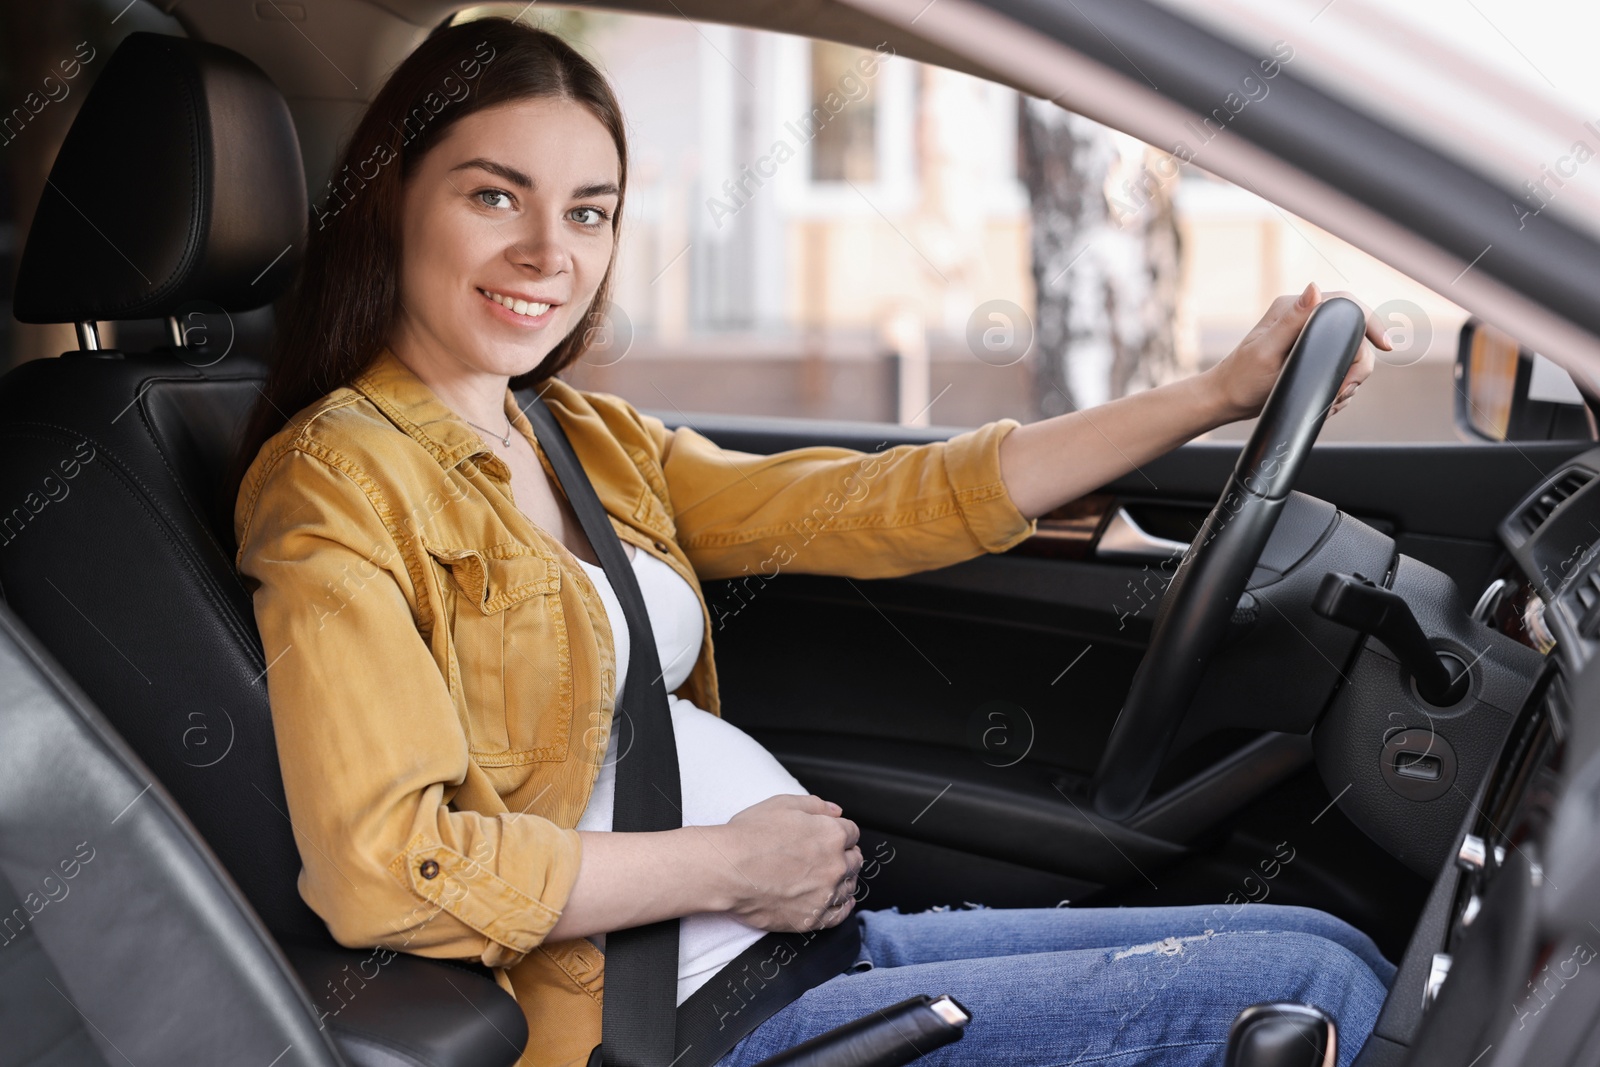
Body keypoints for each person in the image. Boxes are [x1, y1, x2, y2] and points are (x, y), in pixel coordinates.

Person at [226, 17, 1394, 1067]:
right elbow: (387, 867)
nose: (550, 252)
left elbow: (886, 500)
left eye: (588, 210)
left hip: (806, 951)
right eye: (494, 196)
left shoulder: (580, 435)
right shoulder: (336, 480)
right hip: (672, 1021)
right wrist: (730, 868)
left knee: (1315, 935)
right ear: (392, 199)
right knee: (1317, 987)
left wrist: (1211, 394)